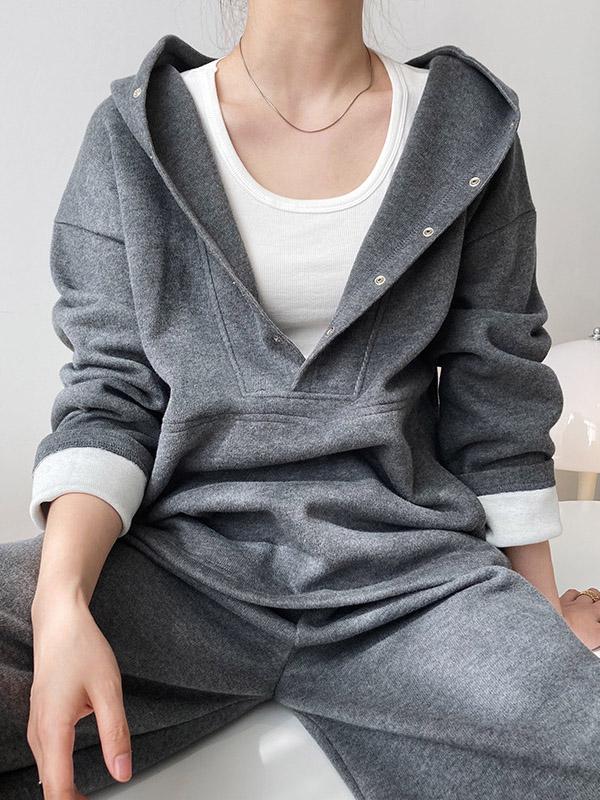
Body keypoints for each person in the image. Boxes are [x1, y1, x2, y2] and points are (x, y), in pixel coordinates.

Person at [2, 3, 600, 799]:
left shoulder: (470, 133)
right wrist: (61, 602)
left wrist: (540, 619)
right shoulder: (130, 136)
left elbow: (496, 396)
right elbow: (111, 394)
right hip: (181, 566)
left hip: (409, 580)